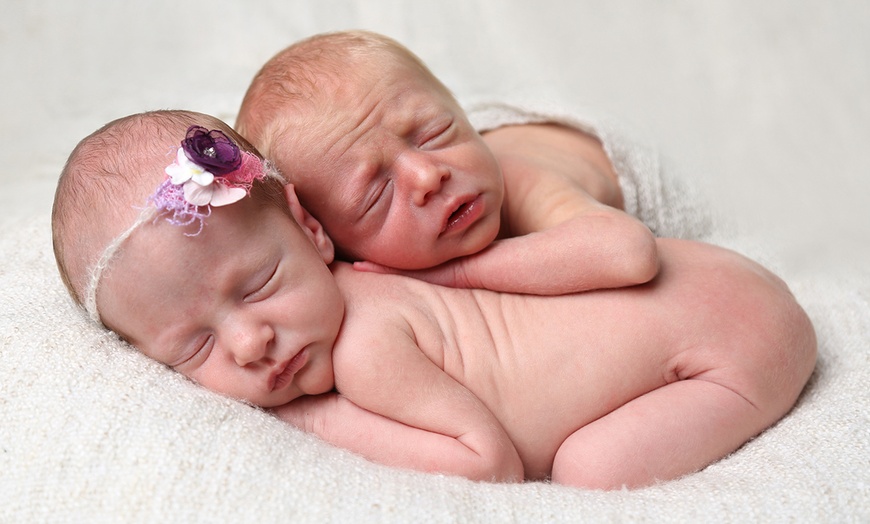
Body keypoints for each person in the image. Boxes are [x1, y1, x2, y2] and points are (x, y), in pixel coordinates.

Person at [52, 110, 817, 490]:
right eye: (196, 347)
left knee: (589, 470)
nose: (251, 343)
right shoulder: (368, 275)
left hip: (732, 343)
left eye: (258, 286)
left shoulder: (368, 348)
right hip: (717, 281)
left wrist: (313, 416)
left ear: (314, 233)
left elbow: (486, 463)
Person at [236, 30, 660, 295]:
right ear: (329, 241)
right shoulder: (346, 270)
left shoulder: (525, 183)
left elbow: (628, 253)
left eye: (434, 134)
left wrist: (457, 274)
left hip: (582, 144)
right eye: (377, 193)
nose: (427, 175)